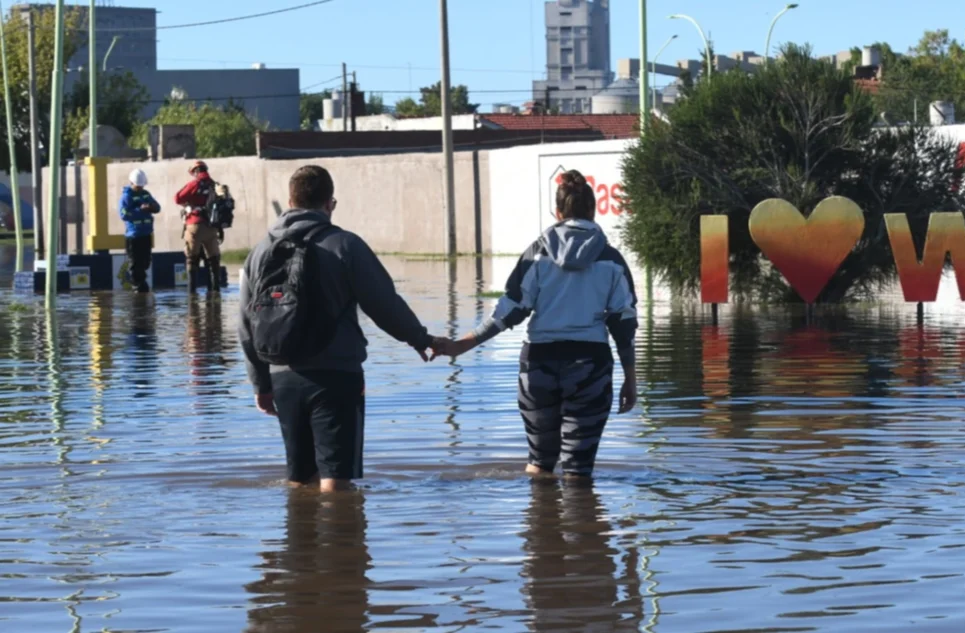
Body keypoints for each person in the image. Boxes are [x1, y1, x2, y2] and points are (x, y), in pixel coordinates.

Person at [239, 165, 446, 493]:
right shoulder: (344, 245)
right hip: (335, 375)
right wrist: (419, 338)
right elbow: (383, 303)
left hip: (283, 376)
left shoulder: (260, 252)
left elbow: (246, 324)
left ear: (290, 201)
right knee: (336, 484)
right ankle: (341, 542)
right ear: (330, 204)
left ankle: (298, 541)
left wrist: (260, 383)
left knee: (298, 481)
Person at [435, 169, 638, 479]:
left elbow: (508, 311)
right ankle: (583, 526)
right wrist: (630, 379)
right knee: (578, 472)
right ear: (593, 210)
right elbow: (623, 325)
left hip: (538, 366)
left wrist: (462, 345)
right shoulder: (611, 260)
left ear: (557, 212)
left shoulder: (536, 256)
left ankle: (539, 524)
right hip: (590, 366)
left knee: (539, 464)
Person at [174, 160, 221, 292]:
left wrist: (189, 203)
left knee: (192, 259)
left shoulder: (194, 184)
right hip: (212, 227)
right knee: (213, 260)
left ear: (196, 171)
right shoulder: (214, 185)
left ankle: (192, 294)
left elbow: (177, 198)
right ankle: (214, 292)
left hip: (195, 225)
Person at [119, 168, 160, 293]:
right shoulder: (126, 197)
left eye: (142, 186)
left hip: (146, 234)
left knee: (146, 262)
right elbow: (124, 215)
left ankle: (141, 285)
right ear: (132, 183)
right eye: (138, 186)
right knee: (136, 264)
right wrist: (140, 210)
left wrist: (151, 207)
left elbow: (157, 207)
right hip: (134, 236)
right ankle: (138, 288)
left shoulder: (146, 194)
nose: (140, 188)